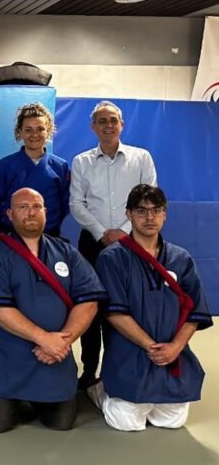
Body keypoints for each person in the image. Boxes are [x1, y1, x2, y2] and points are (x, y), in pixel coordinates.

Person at [0, 188, 106, 433]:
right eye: (23, 207)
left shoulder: (66, 252)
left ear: (46, 212)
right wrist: (44, 338)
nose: (31, 212)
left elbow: (89, 300)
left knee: (62, 424)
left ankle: (38, 398)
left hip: (55, 358)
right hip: (8, 362)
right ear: (9, 214)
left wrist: (62, 341)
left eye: (37, 207)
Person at [88, 184, 213, 432]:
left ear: (165, 214)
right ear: (129, 214)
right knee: (127, 423)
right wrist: (151, 347)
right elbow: (113, 312)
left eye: (156, 210)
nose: (149, 217)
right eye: (141, 211)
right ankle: (101, 390)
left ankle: (149, 392)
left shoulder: (180, 258)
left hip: (171, 352)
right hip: (130, 352)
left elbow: (196, 311)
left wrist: (175, 347)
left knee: (173, 421)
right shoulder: (112, 258)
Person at [70, 100, 157, 388]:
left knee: (125, 306)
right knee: (89, 306)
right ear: (93, 126)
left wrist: (123, 232)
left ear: (122, 125)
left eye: (113, 121)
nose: (108, 125)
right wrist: (102, 233)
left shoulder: (141, 158)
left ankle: (120, 370)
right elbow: (76, 203)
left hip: (132, 243)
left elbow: (150, 200)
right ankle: (89, 371)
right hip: (92, 243)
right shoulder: (81, 161)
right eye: (102, 121)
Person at [0, 103, 70, 237]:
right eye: (28, 130)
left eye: (40, 129)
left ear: (48, 131)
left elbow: (64, 204)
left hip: (50, 235)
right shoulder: (3, 167)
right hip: (12, 236)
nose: (34, 135)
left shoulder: (60, 166)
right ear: (20, 132)